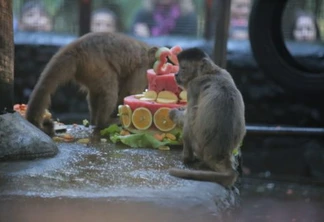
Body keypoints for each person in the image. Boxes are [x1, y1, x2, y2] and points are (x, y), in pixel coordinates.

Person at [130, 0, 197, 37]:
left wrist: (150, 39)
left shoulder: (188, 16)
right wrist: (139, 35)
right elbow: (129, 36)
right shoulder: (144, 14)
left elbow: (188, 43)